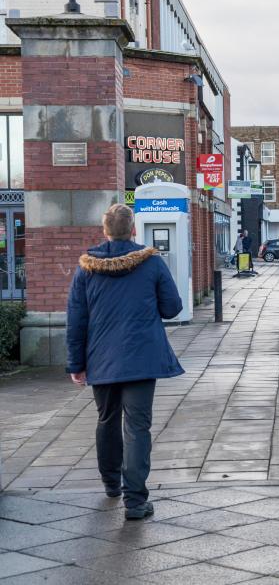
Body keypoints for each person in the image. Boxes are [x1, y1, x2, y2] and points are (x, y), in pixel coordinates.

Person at [66, 204, 184, 521]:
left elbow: (76, 320)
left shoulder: (86, 268)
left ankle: (110, 484)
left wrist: (76, 364)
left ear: (104, 231)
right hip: (143, 357)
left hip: (101, 359)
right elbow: (172, 307)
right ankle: (135, 501)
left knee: (107, 420)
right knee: (137, 427)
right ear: (133, 230)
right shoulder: (152, 263)